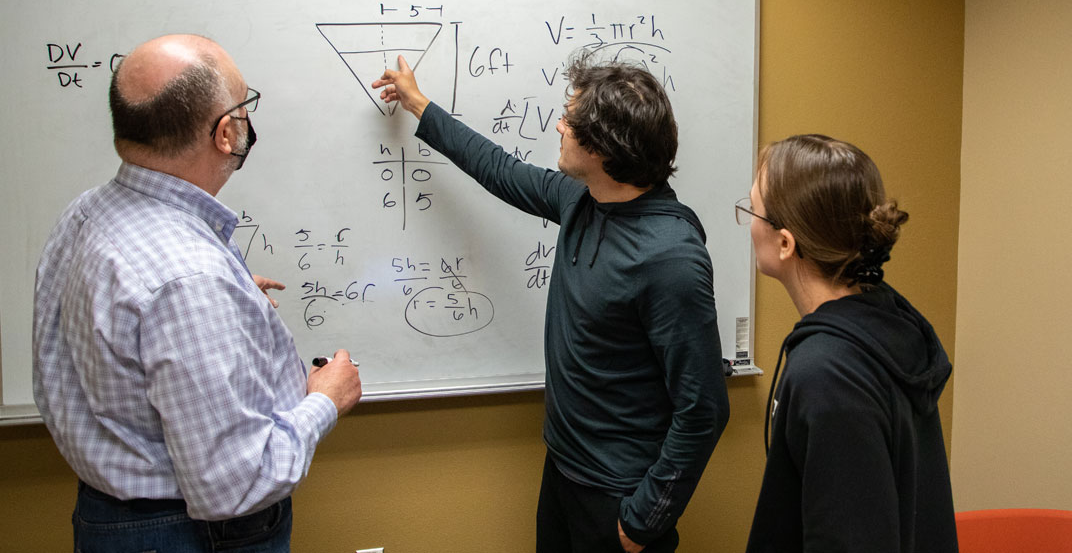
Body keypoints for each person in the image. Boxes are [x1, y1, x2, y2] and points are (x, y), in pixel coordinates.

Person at [372, 53, 729, 553]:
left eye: (571, 119)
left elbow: (704, 408)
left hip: (618, 497)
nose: (559, 125)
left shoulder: (669, 256)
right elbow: (499, 168)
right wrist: (418, 104)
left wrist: (643, 522)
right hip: (563, 470)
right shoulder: (582, 201)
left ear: (604, 147)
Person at [33, 34, 362, 552]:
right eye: (244, 105)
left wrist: (221, 306)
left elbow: (121, 327)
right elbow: (237, 484)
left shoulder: (88, 212)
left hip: (109, 518)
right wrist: (326, 400)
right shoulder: (188, 282)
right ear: (226, 133)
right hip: (191, 535)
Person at [739, 135, 956, 553]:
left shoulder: (827, 376)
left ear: (786, 243)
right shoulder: (887, 321)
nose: (748, 223)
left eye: (752, 209)